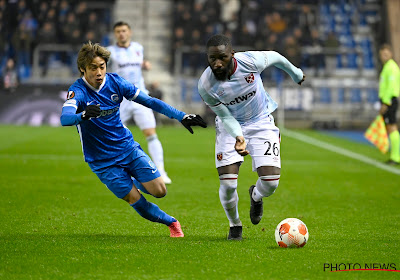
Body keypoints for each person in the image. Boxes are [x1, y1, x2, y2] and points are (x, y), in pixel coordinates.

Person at [60, 41, 207, 237]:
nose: (98, 72)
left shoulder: (116, 83)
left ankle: (135, 181)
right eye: (93, 68)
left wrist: (181, 116)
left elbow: (150, 101)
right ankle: (171, 223)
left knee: (160, 191)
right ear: (82, 68)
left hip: (127, 149)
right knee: (134, 199)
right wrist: (83, 115)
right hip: (102, 161)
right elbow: (65, 118)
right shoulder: (77, 91)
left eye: (101, 67)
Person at [198, 34, 305, 240]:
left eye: (222, 57)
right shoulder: (205, 85)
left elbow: (276, 57)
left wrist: (296, 73)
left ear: (232, 54)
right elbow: (224, 116)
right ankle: (235, 224)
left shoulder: (249, 62)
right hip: (230, 126)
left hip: (261, 122)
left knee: (271, 182)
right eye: (212, 59)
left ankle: (256, 195)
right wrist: (238, 136)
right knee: (228, 185)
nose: (217, 63)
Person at [107, 21, 173, 184]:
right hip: (120, 99)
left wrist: (145, 65)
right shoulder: (110, 52)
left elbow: (136, 66)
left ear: (129, 32)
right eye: (118, 31)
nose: (121, 34)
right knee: (117, 137)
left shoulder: (138, 48)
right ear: (115, 34)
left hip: (139, 97)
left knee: (151, 134)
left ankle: (161, 172)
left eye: (124, 31)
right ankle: (123, 172)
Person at [378, 44, 400, 165]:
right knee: (390, 127)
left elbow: (391, 87)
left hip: (390, 100)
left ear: (391, 54)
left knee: (392, 127)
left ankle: (396, 157)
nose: (384, 56)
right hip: (388, 100)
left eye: (386, 54)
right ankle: (394, 155)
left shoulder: (391, 67)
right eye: (382, 54)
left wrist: (385, 103)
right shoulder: (387, 67)